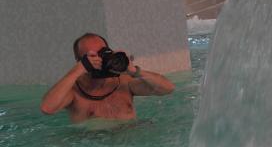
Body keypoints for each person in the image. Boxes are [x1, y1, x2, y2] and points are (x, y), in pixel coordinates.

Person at [40, 33, 175, 122]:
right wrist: (77, 70)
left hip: (131, 146)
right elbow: (47, 108)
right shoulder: (74, 92)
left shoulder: (124, 82)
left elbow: (168, 88)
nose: (99, 59)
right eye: (92, 56)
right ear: (80, 60)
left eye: (102, 53)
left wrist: (135, 71)